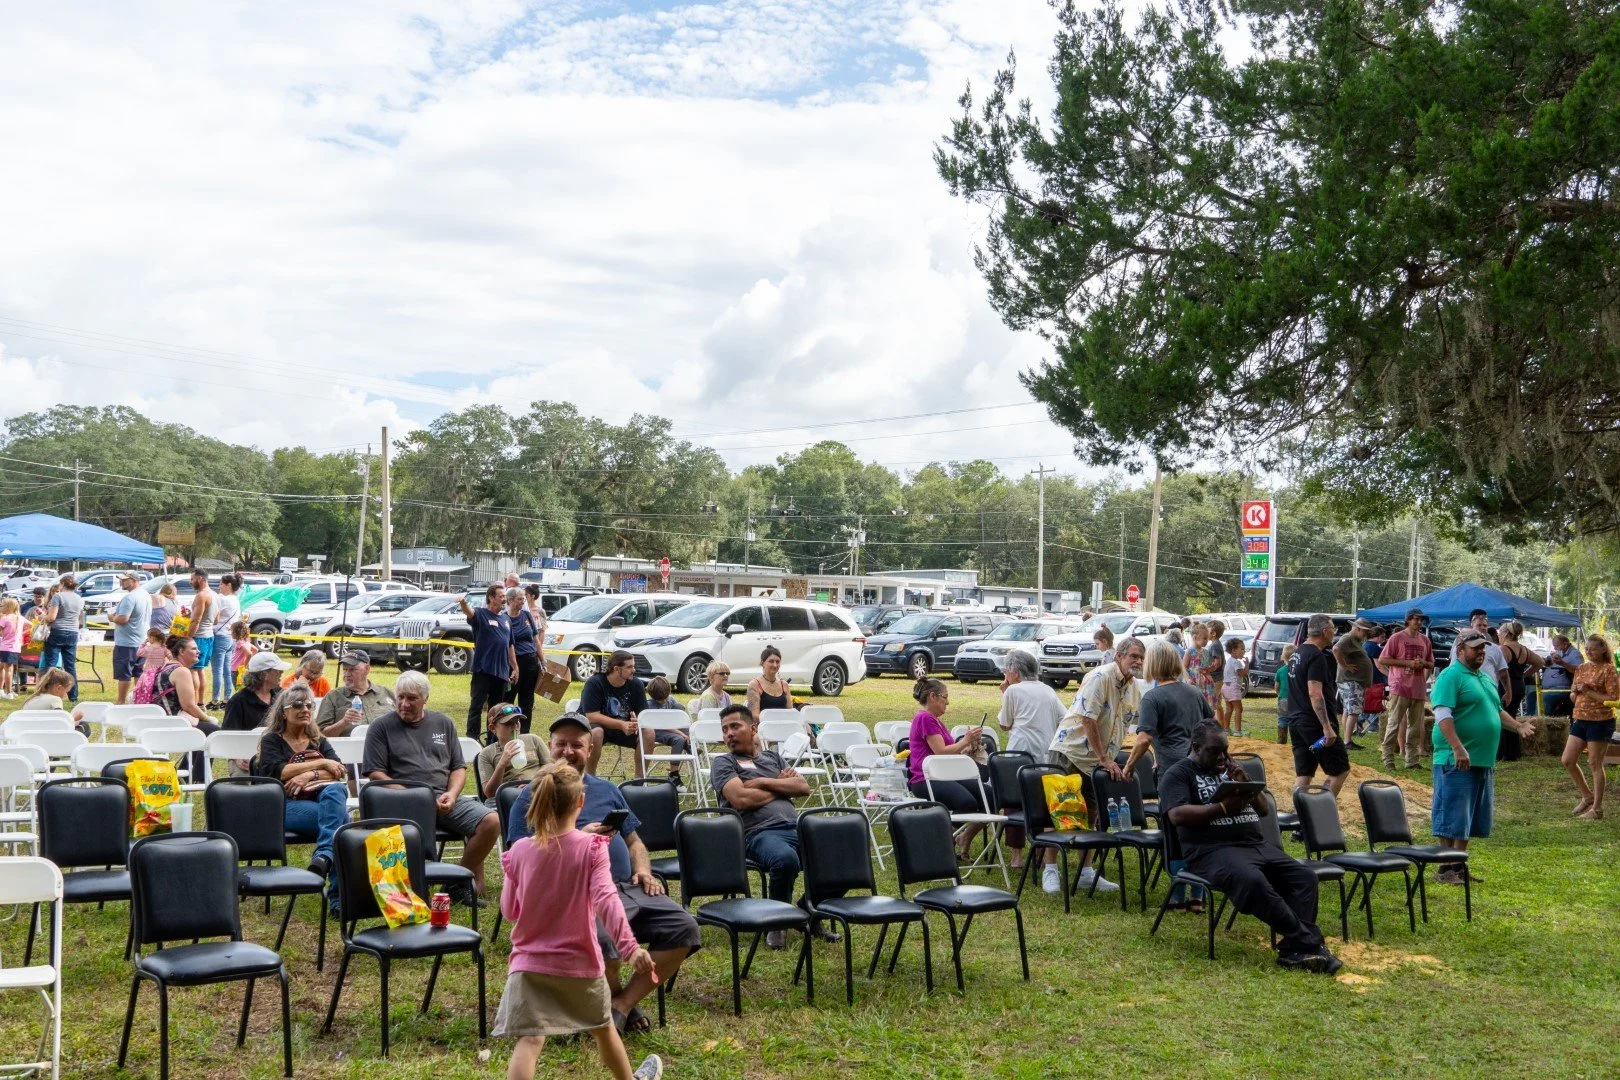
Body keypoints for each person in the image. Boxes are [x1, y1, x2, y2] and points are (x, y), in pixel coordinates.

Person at [507, 715, 701, 1036]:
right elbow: (520, 861)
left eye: (576, 745)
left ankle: (621, 1004)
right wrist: (576, 839)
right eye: (561, 744)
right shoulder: (533, 794)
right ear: (550, 746)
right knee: (602, 938)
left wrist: (643, 870)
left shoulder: (608, 790)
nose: (568, 751)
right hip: (574, 895)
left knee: (685, 928)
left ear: (590, 749)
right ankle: (614, 1003)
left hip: (626, 887)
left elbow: (634, 841)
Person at [496, 762, 664, 1080]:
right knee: (603, 1029)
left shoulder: (518, 851)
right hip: (579, 962)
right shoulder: (592, 848)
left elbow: (510, 911)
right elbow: (607, 901)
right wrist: (630, 949)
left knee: (530, 1041)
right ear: (581, 802)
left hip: (528, 964)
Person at [1158, 722, 1341, 973]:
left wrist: (1246, 783)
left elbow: (1264, 809)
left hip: (1255, 845)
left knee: (1304, 877)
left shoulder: (1231, 770)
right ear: (1196, 747)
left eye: (1225, 750)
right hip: (1212, 851)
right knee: (1252, 880)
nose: (1222, 757)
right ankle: (1309, 942)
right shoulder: (1178, 774)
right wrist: (1222, 808)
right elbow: (1177, 815)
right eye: (1215, 751)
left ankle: (1295, 950)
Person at [362, 669, 501, 904]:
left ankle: (455, 883)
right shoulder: (381, 727)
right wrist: (418, 799)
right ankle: (408, 892)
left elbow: (458, 768)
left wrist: (452, 794)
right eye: (400, 697)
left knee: (491, 821)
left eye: (411, 698)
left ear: (425, 698)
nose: (404, 704)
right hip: (400, 800)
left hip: (442, 798)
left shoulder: (443, 723)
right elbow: (376, 774)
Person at [710, 703, 834, 948]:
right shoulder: (724, 763)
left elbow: (803, 787)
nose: (729, 734)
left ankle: (809, 911)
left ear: (752, 728)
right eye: (724, 730)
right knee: (785, 860)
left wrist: (762, 782)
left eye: (735, 726)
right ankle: (777, 923)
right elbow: (741, 799)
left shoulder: (772, 758)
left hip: (796, 827)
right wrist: (780, 786)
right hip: (757, 833)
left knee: (840, 858)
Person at [1429, 629, 1536, 882]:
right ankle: (1445, 869)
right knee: (1451, 813)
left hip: (1481, 758)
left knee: (1468, 816)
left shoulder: (1485, 678)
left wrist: (1518, 726)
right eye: (1475, 648)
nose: (1481, 652)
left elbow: (1496, 710)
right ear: (1460, 650)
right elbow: (1442, 714)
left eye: (1483, 648)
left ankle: (1458, 866)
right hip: (1455, 757)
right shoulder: (1451, 676)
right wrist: (1457, 747)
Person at [1046, 637, 1146, 895]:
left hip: (1099, 761)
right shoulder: (1100, 677)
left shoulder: (1134, 687)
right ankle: (1050, 869)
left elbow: (1134, 723)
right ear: (1119, 656)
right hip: (1071, 752)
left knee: (1091, 815)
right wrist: (1104, 758)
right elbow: (1087, 719)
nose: (1138, 661)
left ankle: (1085, 872)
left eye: (1141, 657)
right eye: (1133, 656)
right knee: (1059, 810)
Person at [1124, 640, 1213, 909]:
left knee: (1174, 833)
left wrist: (1129, 766)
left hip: (1173, 774)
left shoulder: (1153, 697)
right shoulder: (1194, 692)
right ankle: (1197, 895)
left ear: (1152, 664)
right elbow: (1211, 727)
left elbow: (1144, 738)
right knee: (1197, 830)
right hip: (1198, 769)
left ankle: (1177, 895)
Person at [250, 682, 350, 883]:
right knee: (343, 825)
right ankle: (336, 894)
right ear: (283, 712)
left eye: (309, 705)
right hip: (283, 805)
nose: (305, 709)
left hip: (320, 800)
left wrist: (309, 775)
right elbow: (281, 771)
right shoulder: (272, 740)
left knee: (336, 790)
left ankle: (324, 856)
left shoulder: (318, 740)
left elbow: (339, 771)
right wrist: (321, 763)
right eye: (297, 705)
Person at [907, 676, 989, 857]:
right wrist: (965, 740)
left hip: (946, 774)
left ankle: (963, 837)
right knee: (966, 802)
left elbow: (949, 752)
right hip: (926, 778)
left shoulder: (936, 720)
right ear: (932, 696)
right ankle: (943, 839)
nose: (948, 702)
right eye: (945, 697)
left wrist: (969, 747)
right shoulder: (924, 718)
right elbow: (940, 751)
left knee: (990, 797)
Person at [1285, 614, 1349, 797]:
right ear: (1325, 631)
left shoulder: (1297, 653)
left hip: (1297, 724)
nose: (1334, 632)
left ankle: (1299, 812)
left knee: (1304, 772)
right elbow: (1314, 693)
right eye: (1333, 628)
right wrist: (1327, 727)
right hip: (1315, 727)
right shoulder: (1316, 656)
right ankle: (1319, 809)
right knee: (1339, 770)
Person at [151, 635, 221, 781]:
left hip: (161, 722)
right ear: (182, 651)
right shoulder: (181, 671)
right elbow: (188, 705)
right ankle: (197, 778)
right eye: (194, 649)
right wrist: (208, 718)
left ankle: (186, 774)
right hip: (174, 724)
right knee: (213, 730)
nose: (198, 652)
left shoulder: (166, 667)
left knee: (206, 729)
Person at [1564, 635, 1619, 820]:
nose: (1588, 652)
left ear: (1603, 650)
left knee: (1594, 763)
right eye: (1586, 649)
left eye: (1592, 649)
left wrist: (1589, 691)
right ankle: (1587, 796)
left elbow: (1613, 698)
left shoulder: (1608, 670)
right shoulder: (1581, 668)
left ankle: (1597, 809)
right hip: (1580, 718)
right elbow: (1573, 696)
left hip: (1601, 721)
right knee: (1567, 760)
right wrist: (1576, 692)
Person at [1377, 608, 1434, 768]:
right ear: (1408, 619)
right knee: (1394, 723)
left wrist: (1423, 664)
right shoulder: (1397, 638)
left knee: (1415, 726)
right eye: (1416, 619)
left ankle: (1412, 760)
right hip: (1400, 686)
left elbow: (1431, 663)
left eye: (1421, 619)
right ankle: (1388, 758)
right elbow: (1383, 659)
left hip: (1418, 687)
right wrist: (1407, 663)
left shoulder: (1425, 640)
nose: (1419, 622)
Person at [459, 583, 515, 741]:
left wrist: (515, 667)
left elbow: (510, 645)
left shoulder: (506, 619)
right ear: (491, 598)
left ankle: (493, 739)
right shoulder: (481, 614)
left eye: (505, 596)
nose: (504, 599)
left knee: (496, 710)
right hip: (483, 670)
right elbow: (469, 612)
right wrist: (463, 603)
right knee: (476, 706)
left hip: (501, 671)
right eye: (501, 596)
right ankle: (472, 738)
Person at [582, 651, 651, 777]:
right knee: (597, 733)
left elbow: (644, 714)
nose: (633, 670)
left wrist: (637, 721)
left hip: (624, 729)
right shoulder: (595, 683)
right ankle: (590, 778)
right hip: (598, 726)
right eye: (629, 667)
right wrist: (621, 724)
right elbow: (591, 716)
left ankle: (640, 780)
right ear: (616, 669)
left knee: (648, 732)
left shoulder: (636, 684)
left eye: (633, 666)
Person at [313, 649, 395, 737]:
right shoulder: (333, 697)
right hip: (350, 745)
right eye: (345, 669)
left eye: (352, 669)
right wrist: (344, 722)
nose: (347, 674)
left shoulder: (386, 693)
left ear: (367, 669)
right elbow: (320, 735)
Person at [478, 702, 551, 799]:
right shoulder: (486, 753)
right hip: (509, 796)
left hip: (539, 790)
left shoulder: (533, 740)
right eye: (508, 722)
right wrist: (502, 764)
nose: (515, 725)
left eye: (517, 721)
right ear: (492, 728)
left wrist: (534, 783)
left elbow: (553, 768)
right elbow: (490, 793)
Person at [1495, 622, 1544, 762]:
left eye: (1500, 633)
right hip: (1519, 685)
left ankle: (1502, 753)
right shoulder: (1524, 649)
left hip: (1506, 687)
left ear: (1505, 634)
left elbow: (1501, 672)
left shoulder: (1504, 649)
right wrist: (1524, 675)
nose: (1498, 635)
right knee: (1512, 716)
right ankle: (1513, 752)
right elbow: (1540, 662)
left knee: (1502, 717)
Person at [37, 575, 84, 702]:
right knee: (70, 666)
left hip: (57, 632)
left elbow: (51, 618)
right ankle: (73, 696)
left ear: (62, 584)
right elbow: (79, 617)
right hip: (73, 632)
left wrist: (41, 617)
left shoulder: (58, 597)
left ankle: (48, 693)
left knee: (51, 666)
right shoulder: (79, 599)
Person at [109, 569, 153, 705]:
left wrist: (112, 617)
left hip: (127, 642)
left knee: (124, 674)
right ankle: (139, 700)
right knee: (138, 673)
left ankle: (121, 701)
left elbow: (123, 619)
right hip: (142, 640)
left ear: (134, 581)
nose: (121, 582)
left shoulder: (130, 597)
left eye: (124, 580)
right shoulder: (146, 595)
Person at [1331, 618, 1376, 748]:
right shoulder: (1348, 638)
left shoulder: (1354, 640)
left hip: (1352, 681)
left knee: (1348, 710)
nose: (1366, 635)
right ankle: (1347, 741)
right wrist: (1345, 666)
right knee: (1354, 711)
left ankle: (1347, 738)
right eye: (1365, 632)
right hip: (1351, 681)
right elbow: (1336, 649)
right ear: (1357, 629)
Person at [1449, 609, 1509, 705]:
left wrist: (1508, 692)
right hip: (1467, 694)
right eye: (1479, 625)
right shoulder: (1460, 647)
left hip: (1490, 694)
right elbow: (1453, 668)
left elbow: (1503, 672)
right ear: (1471, 626)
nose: (1483, 628)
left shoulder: (1494, 648)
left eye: (1485, 625)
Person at [221, 650, 289, 732]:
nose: (282, 672)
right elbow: (229, 735)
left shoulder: (281, 694)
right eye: (277, 670)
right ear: (265, 675)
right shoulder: (238, 702)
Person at [504, 587, 542, 729]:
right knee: (508, 699)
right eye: (519, 599)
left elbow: (536, 639)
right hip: (513, 664)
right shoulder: (504, 618)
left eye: (523, 599)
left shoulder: (526, 615)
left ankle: (525, 732)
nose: (522, 602)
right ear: (510, 600)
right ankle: (506, 730)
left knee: (527, 700)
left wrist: (542, 660)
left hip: (530, 662)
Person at [207, 572, 242, 709]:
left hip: (220, 636)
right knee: (227, 670)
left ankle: (215, 700)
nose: (219, 586)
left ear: (229, 585)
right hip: (230, 637)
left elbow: (214, 616)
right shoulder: (235, 599)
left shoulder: (223, 599)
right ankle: (227, 698)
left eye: (221, 584)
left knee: (217, 670)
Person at [186, 569, 217, 701]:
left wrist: (188, 638)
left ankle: (192, 702)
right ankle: (200, 702)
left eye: (192, 579)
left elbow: (196, 621)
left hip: (199, 637)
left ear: (200, 579)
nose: (190, 582)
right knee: (200, 670)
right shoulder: (215, 594)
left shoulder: (201, 595)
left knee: (193, 670)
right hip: (209, 636)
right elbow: (216, 620)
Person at [1540, 634, 1582, 717]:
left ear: (1565, 644)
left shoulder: (1575, 654)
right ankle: (1533, 719)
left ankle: (1542, 720)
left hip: (1561, 689)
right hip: (1548, 688)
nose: (1555, 648)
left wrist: (1562, 663)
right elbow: (1546, 661)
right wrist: (1544, 660)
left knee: (1545, 698)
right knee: (1532, 694)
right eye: (1554, 646)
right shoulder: (1559, 652)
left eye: (1556, 646)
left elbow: (1579, 671)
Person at [745, 646, 792, 720]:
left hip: (784, 724)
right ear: (762, 663)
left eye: (777, 662)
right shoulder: (755, 685)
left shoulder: (784, 684)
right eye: (771, 661)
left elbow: (790, 712)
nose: (775, 665)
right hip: (763, 725)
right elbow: (754, 716)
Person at [132, 627, 171, 705]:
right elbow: (170, 656)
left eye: (148, 637)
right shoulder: (164, 648)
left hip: (148, 674)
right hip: (160, 672)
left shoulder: (148, 648)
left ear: (152, 638)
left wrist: (143, 643)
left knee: (146, 689)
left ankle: (145, 701)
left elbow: (138, 653)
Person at [1362, 625, 1389, 735]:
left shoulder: (1364, 645)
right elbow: (1379, 666)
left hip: (1367, 677)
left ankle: (1360, 720)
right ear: (1378, 636)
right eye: (1383, 637)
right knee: (1375, 701)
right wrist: (1391, 675)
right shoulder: (1374, 647)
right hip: (1375, 679)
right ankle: (1372, 726)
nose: (1383, 639)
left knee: (1368, 701)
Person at [1201, 620, 1228, 729]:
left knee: (1212, 703)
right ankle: (1222, 726)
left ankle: (1213, 727)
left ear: (1213, 633)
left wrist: (1207, 670)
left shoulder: (1214, 645)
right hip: (1218, 678)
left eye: (1207, 631)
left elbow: (1217, 662)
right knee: (1218, 703)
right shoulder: (1216, 644)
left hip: (1216, 679)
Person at [1221, 637, 1249, 737]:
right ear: (1234, 650)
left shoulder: (1229, 661)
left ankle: (1226, 729)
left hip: (1225, 687)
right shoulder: (1236, 662)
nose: (1244, 651)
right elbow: (1243, 674)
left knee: (1229, 708)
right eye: (1242, 649)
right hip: (1233, 688)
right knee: (1238, 709)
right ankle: (1237, 730)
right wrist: (1247, 665)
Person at [0, 596, 22, 699]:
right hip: (16, 648)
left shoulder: (5, 618)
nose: (0, 607)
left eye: (2, 605)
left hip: (5, 647)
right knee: (7, 668)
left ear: (8, 607)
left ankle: (8, 693)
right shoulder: (20, 618)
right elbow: (31, 625)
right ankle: (4, 691)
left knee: (7, 669)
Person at [1275, 643, 1295, 745]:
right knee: (1294, 718)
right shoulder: (1296, 670)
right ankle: (1296, 740)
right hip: (1295, 699)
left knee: (1282, 718)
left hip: (1283, 698)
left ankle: (1281, 740)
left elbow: (1277, 687)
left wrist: (1279, 694)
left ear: (1283, 656)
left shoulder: (1280, 671)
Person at [230, 622, 252, 692]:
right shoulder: (247, 642)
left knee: (239, 690)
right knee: (243, 688)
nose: (231, 633)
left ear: (236, 633)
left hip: (236, 670)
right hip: (240, 669)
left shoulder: (239, 643)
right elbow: (255, 650)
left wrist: (244, 666)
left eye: (232, 631)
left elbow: (249, 654)